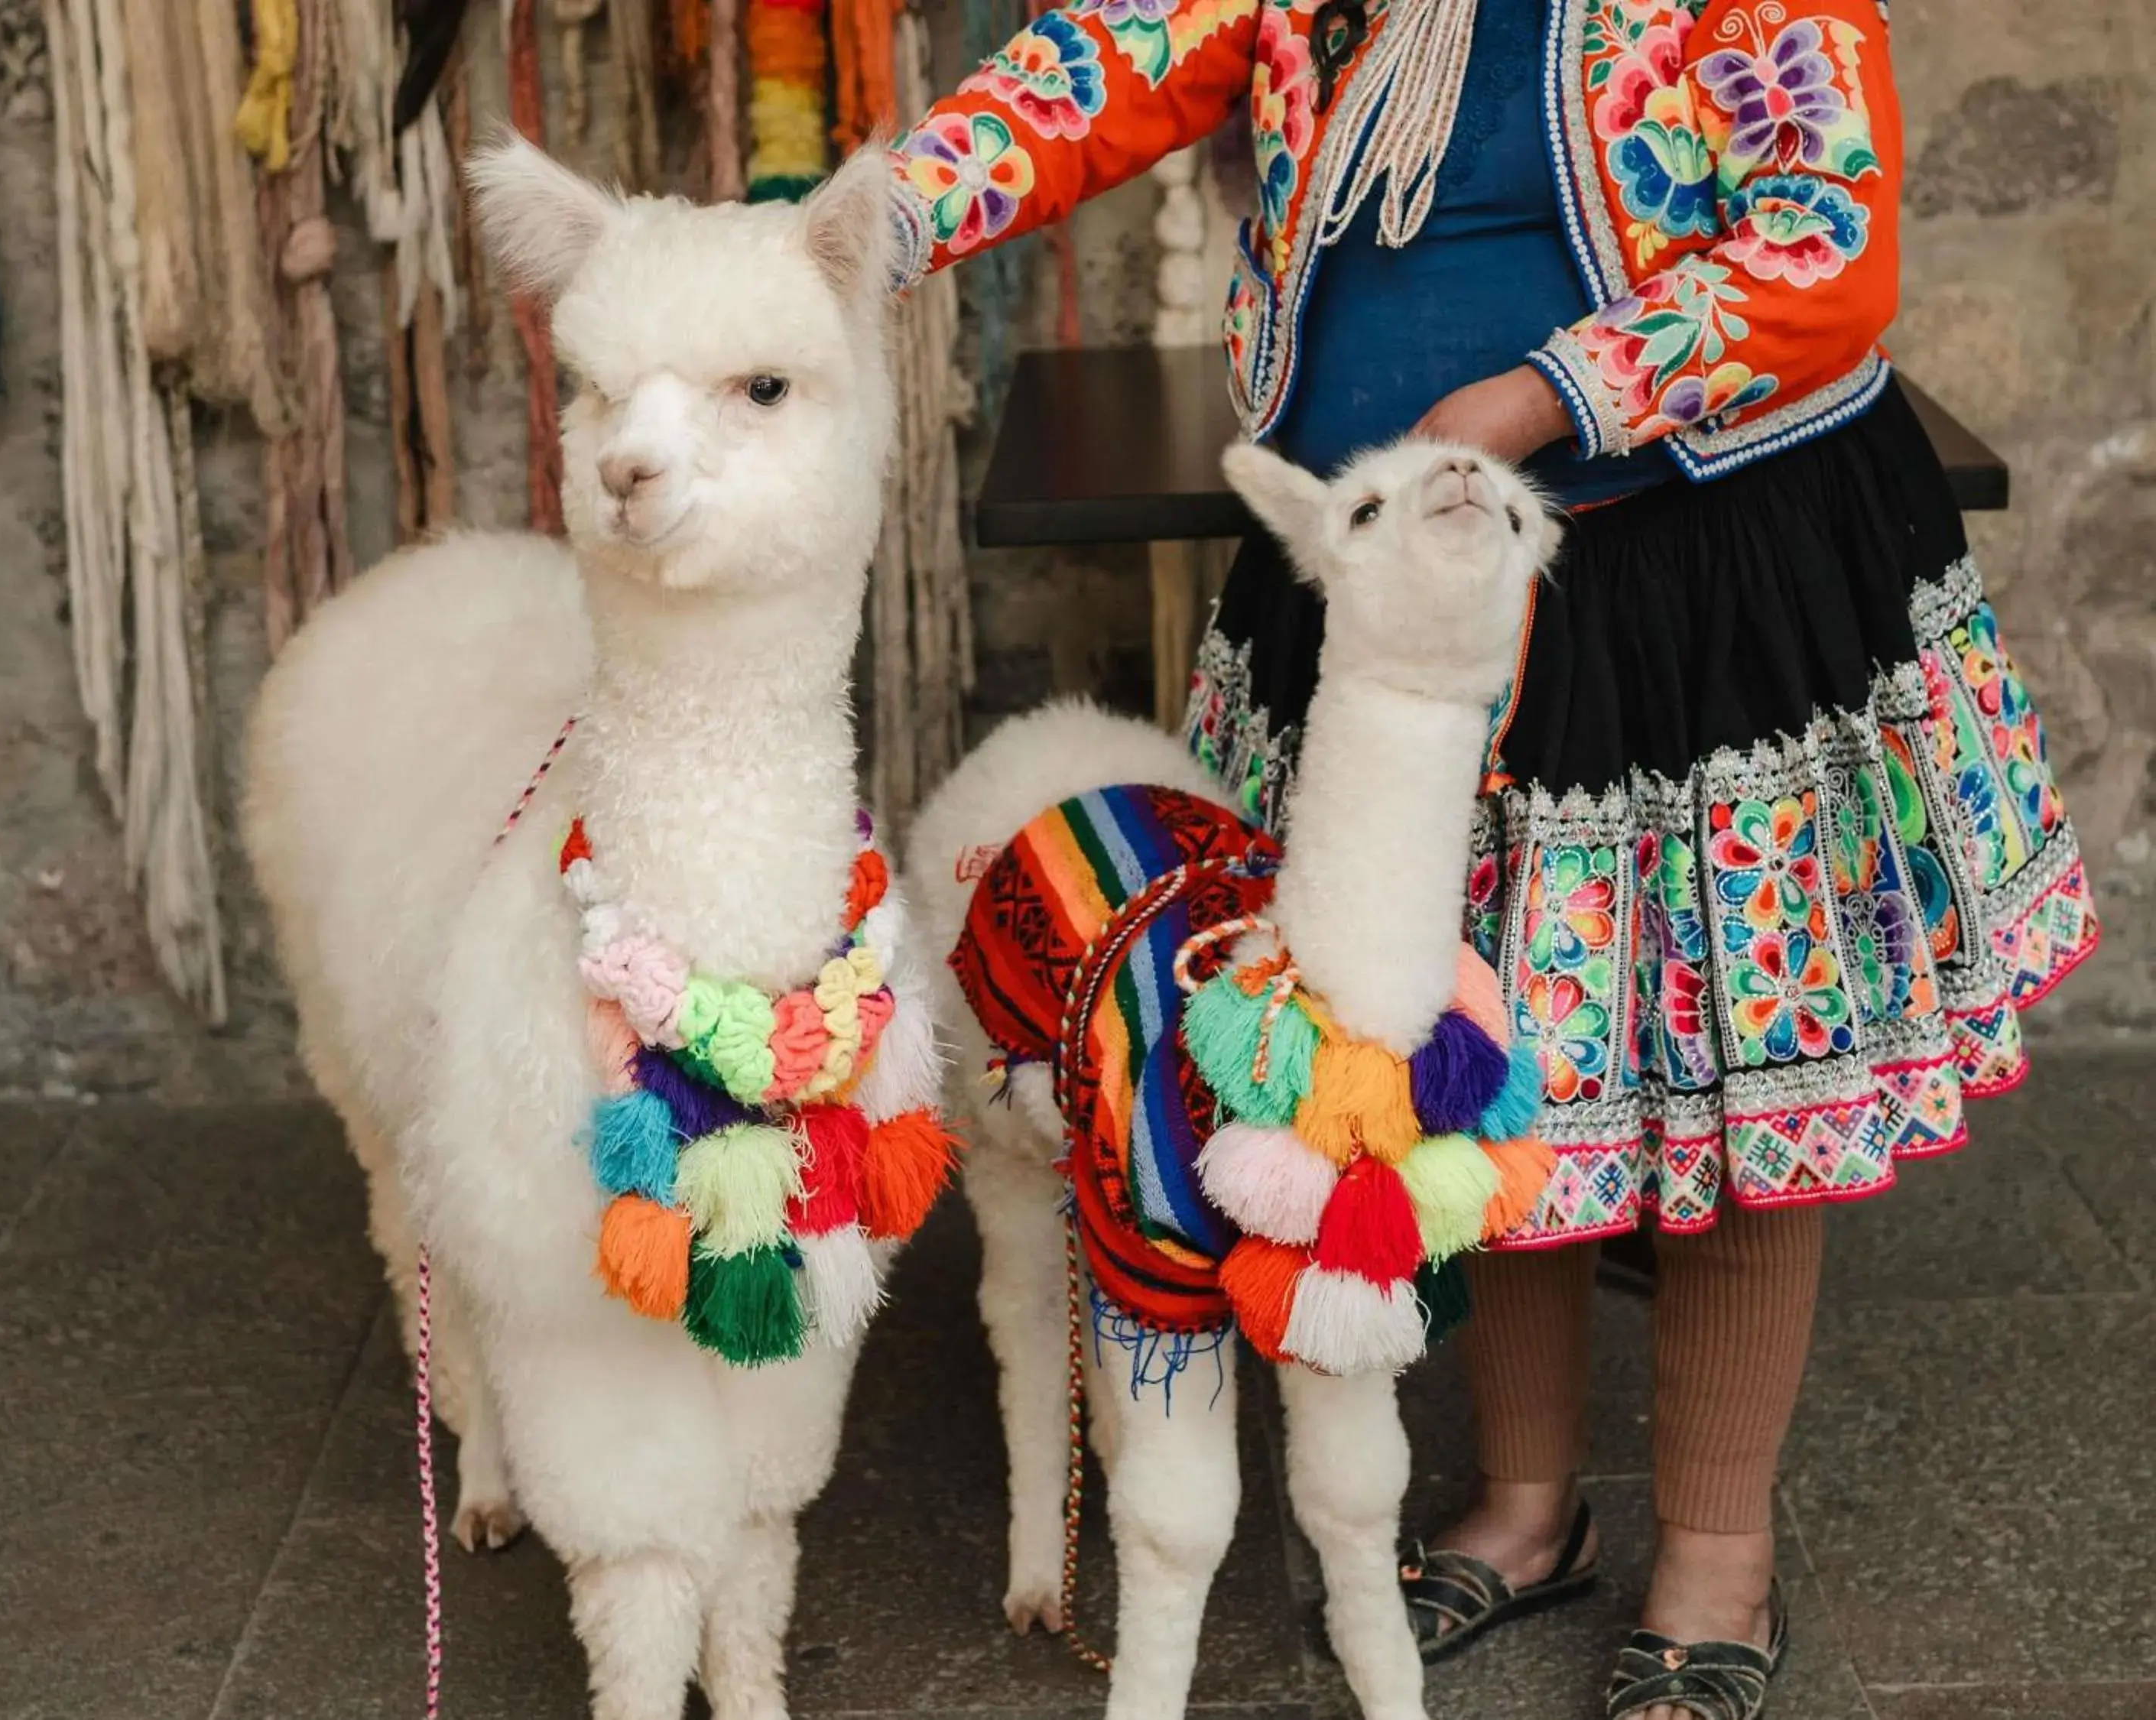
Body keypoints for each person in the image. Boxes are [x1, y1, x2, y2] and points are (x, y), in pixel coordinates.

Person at [882, 2, 2101, 1716]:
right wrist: (871, 221)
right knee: (1452, 1039)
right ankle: (1528, 1502)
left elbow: (1825, 248)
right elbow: (1116, 53)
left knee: (1743, 1073)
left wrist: (1538, 401)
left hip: (1683, 587)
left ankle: (1717, 1548)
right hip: (1392, 596)